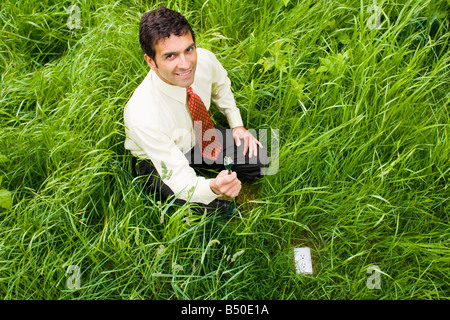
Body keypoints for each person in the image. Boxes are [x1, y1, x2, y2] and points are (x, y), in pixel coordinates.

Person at [123, 6, 268, 215]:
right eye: (170, 56)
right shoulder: (143, 114)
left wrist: (237, 125)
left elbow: (221, 85)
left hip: (199, 134)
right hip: (158, 158)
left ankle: (208, 172)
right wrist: (213, 188)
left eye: (189, 50)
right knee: (219, 210)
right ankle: (211, 195)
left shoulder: (205, 60)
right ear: (150, 61)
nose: (185, 64)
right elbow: (180, 180)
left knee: (261, 160)